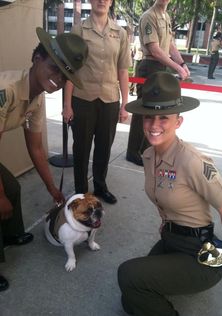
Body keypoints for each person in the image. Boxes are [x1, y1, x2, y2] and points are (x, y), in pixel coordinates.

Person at [118, 71, 222, 316]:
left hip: (199, 252)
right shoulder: (149, 156)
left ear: (178, 122)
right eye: (149, 117)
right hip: (172, 241)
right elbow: (163, 196)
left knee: (128, 274)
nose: (154, 125)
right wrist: (166, 221)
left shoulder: (191, 160)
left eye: (164, 118)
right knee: (130, 299)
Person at [0, 27, 88, 291]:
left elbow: (36, 148)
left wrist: (52, 188)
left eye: (64, 76)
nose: (57, 79)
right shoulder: (7, 90)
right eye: (53, 68)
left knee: (12, 187)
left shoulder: (36, 99)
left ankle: (11, 234)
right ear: (37, 58)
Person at [63, 0, 130, 204]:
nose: (101, 1)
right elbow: (70, 69)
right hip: (83, 99)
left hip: (110, 99)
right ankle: (81, 191)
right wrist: (67, 105)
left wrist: (125, 103)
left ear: (111, 2)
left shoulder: (120, 33)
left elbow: (123, 70)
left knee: (104, 147)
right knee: (81, 148)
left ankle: (100, 186)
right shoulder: (78, 30)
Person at [126, 0, 191, 166]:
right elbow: (154, 49)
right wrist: (177, 67)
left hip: (162, 66)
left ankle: (148, 150)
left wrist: (182, 64)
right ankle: (133, 152)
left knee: (157, 110)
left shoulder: (165, 16)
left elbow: (169, 45)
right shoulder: (149, 16)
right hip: (149, 66)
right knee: (143, 111)